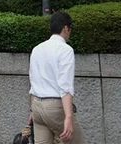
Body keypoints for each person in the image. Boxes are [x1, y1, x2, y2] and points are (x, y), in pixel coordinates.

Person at [29, 11, 86, 144]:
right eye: (70, 28)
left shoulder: (37, 49)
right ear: (66, 28)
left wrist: (31, 111)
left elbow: (33, 81)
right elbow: (65, 86)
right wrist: (68, 117)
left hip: (37, 106)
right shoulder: (65, 50)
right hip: (55, 107)